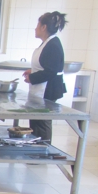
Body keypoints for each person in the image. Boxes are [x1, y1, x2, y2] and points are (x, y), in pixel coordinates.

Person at [22, 11, 68, 141]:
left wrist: (32, 78)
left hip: (47, 90)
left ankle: (44, 147)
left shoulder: (53, 45)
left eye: (37, 26)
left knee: (42, 123)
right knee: (37, 122)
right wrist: (32, 71)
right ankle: (36, 146)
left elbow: (51, 72)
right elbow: (45, 65)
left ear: (44, 27)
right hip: (41, 89)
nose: (35, 29)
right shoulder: (47, 43)